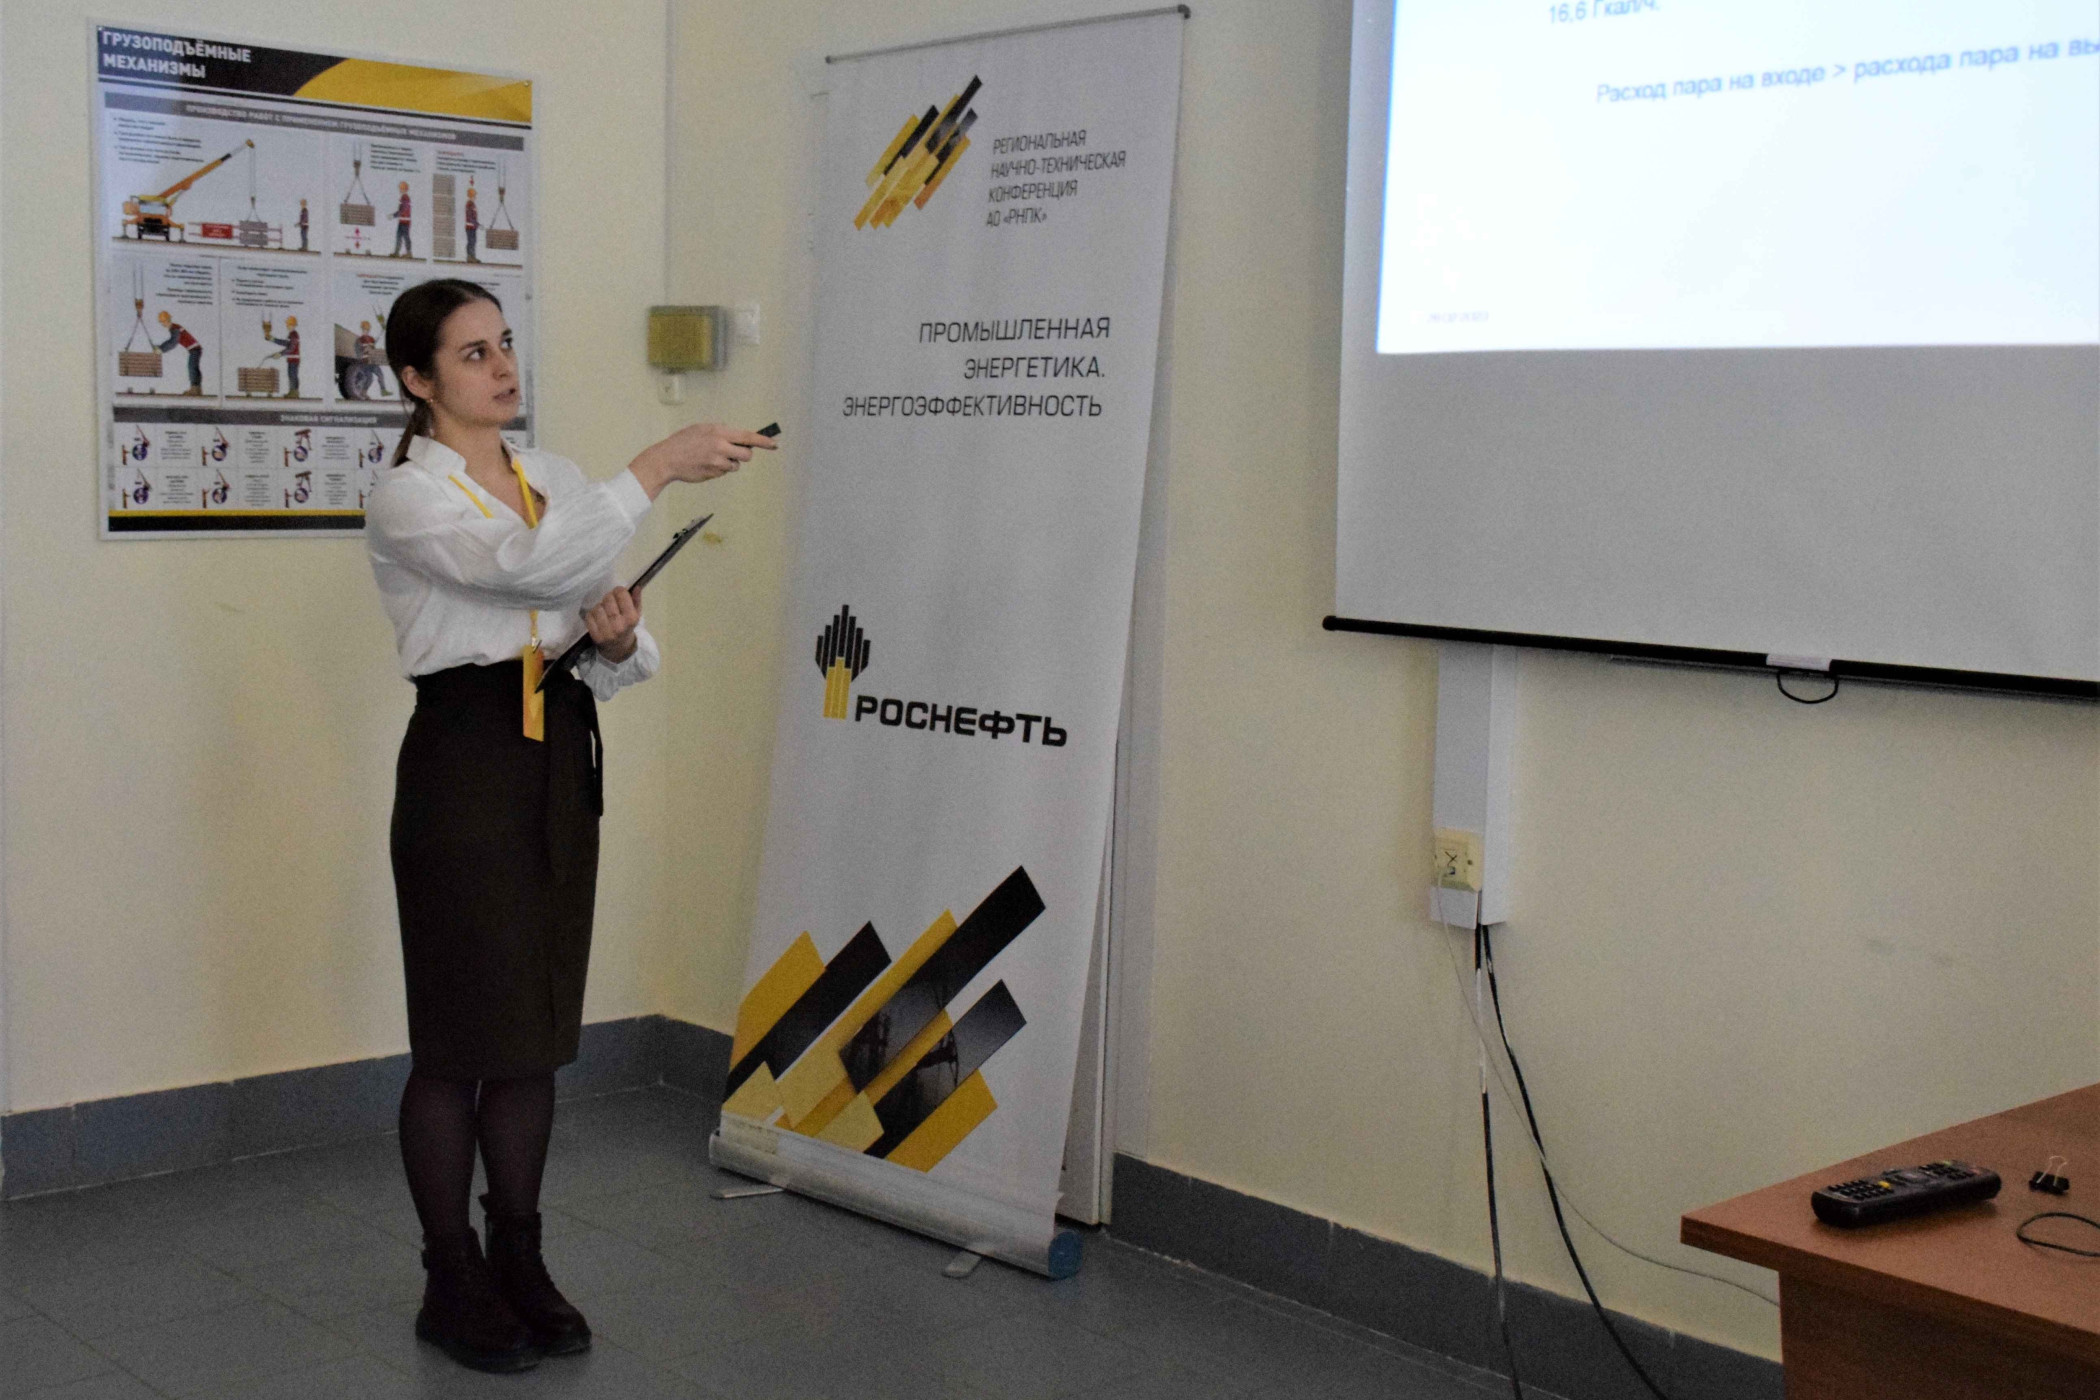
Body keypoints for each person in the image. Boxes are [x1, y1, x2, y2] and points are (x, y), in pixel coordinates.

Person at [363, 278, 774, 1373]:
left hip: (555, 757)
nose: (503, 365)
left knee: (535, 1029)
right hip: (465, 764)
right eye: (472, 353)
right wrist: (657, 463)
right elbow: (525, 570)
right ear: (417, 379)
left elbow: (597, 628)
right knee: (462, 1034)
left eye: (504, 343)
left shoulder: (552, 477)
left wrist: (620, 634)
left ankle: (520, 1257)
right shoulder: (407, 496)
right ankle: (450, 1275)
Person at [153, 311, 204, 395]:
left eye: (164, 321)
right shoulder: (174, 327)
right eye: (161, 322)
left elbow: (173, 342)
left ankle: (195, 389)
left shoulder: (174, 328)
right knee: (193, 367)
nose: (163, 324)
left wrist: (161, 349)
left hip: (195, 349)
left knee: (192, 368)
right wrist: (160, 347)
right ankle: (197, 389)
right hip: (194, 349)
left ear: (168, 320)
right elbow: (171, 341)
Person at [266, 314, 302, 397]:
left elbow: (291, 348)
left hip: (294, 360)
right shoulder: (291, 334)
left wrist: (280, 354)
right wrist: (273, 339)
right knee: (291, 375)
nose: (287, 326)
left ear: (293, 325)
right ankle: (292, 391)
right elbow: (285, 343)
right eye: (287, 325)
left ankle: (294, 392)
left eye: (289, 325)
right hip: (291, 359)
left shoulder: (294, 335)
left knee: (293, 375)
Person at [393, 181, 414, 258]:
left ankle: (408, 253)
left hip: (405, 222)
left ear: (404, 189)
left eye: (401, 188)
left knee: (405, 237)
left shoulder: (405, 198)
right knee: (399, 237)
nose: (400, 190)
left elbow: (403, 210)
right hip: (402, 221)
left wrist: (394, 215)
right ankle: (397, 252)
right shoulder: (403, 198)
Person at [464, 183, 480, 263]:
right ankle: (470, 257)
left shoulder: (472, 204)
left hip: (472, 227)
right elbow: (470, 217)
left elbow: (473, 217)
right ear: (471, 196)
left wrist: (477, 224)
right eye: (474, 195)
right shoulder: (470, 204)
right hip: (470, 227)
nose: (475, 197)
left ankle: (472, 256)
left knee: (473, 242)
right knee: (471, 242)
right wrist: (476, 223)